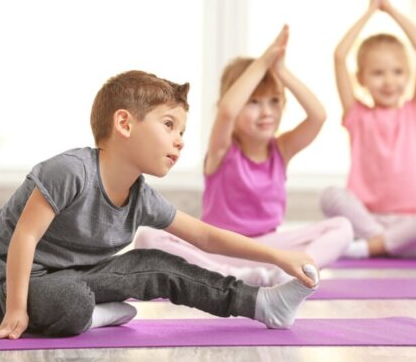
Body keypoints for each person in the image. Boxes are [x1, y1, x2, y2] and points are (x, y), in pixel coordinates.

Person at [0, 70, 319, 341]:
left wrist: (278, 257)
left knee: (156, 264)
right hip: (9, 291)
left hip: (79, 280)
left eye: (181, 131)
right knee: (71, 301)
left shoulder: (142, 197)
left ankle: (261, 303)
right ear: (124, 123)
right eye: (169, 125)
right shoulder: (70, 171)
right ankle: (95, 314)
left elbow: (205, 236)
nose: (179, 141)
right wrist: (15, 310)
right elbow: (25, 236)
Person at [135, 25, 353, 284]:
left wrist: (281, 70)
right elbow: (228, 110)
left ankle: (296, 271)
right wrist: (265, 60)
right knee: (148, 237)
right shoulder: (222, 149)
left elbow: (318, 116)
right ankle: (234, 276)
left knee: (342, 227)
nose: (266, 112)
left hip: (267, 251)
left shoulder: (281, 150)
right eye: (253, 102)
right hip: (218, 249)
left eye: (274, 101)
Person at [320, 0, 416, 259]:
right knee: (331, 196)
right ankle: (390, 244)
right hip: (367, 218)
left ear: (408, 75)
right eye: (377, 73)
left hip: (410, 221)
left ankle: (374, 246)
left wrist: (391, 10)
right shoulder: (357, 115)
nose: (389, 82)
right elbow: (339, 56)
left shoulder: (415, 112)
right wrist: (370, 12)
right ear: (361, 78)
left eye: (397, 72)